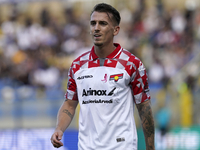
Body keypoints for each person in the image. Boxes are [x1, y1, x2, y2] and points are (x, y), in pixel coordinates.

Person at [51, 3, 155, 150]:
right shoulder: (78, 65)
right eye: (93, 23)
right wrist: (59, 128)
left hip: (121, 146)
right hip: (87, 147)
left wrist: (150, 147)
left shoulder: (132, 64)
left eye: (103, 23)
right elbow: (69, 104)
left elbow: (144, 107)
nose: (96, 28)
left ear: (116, 30)